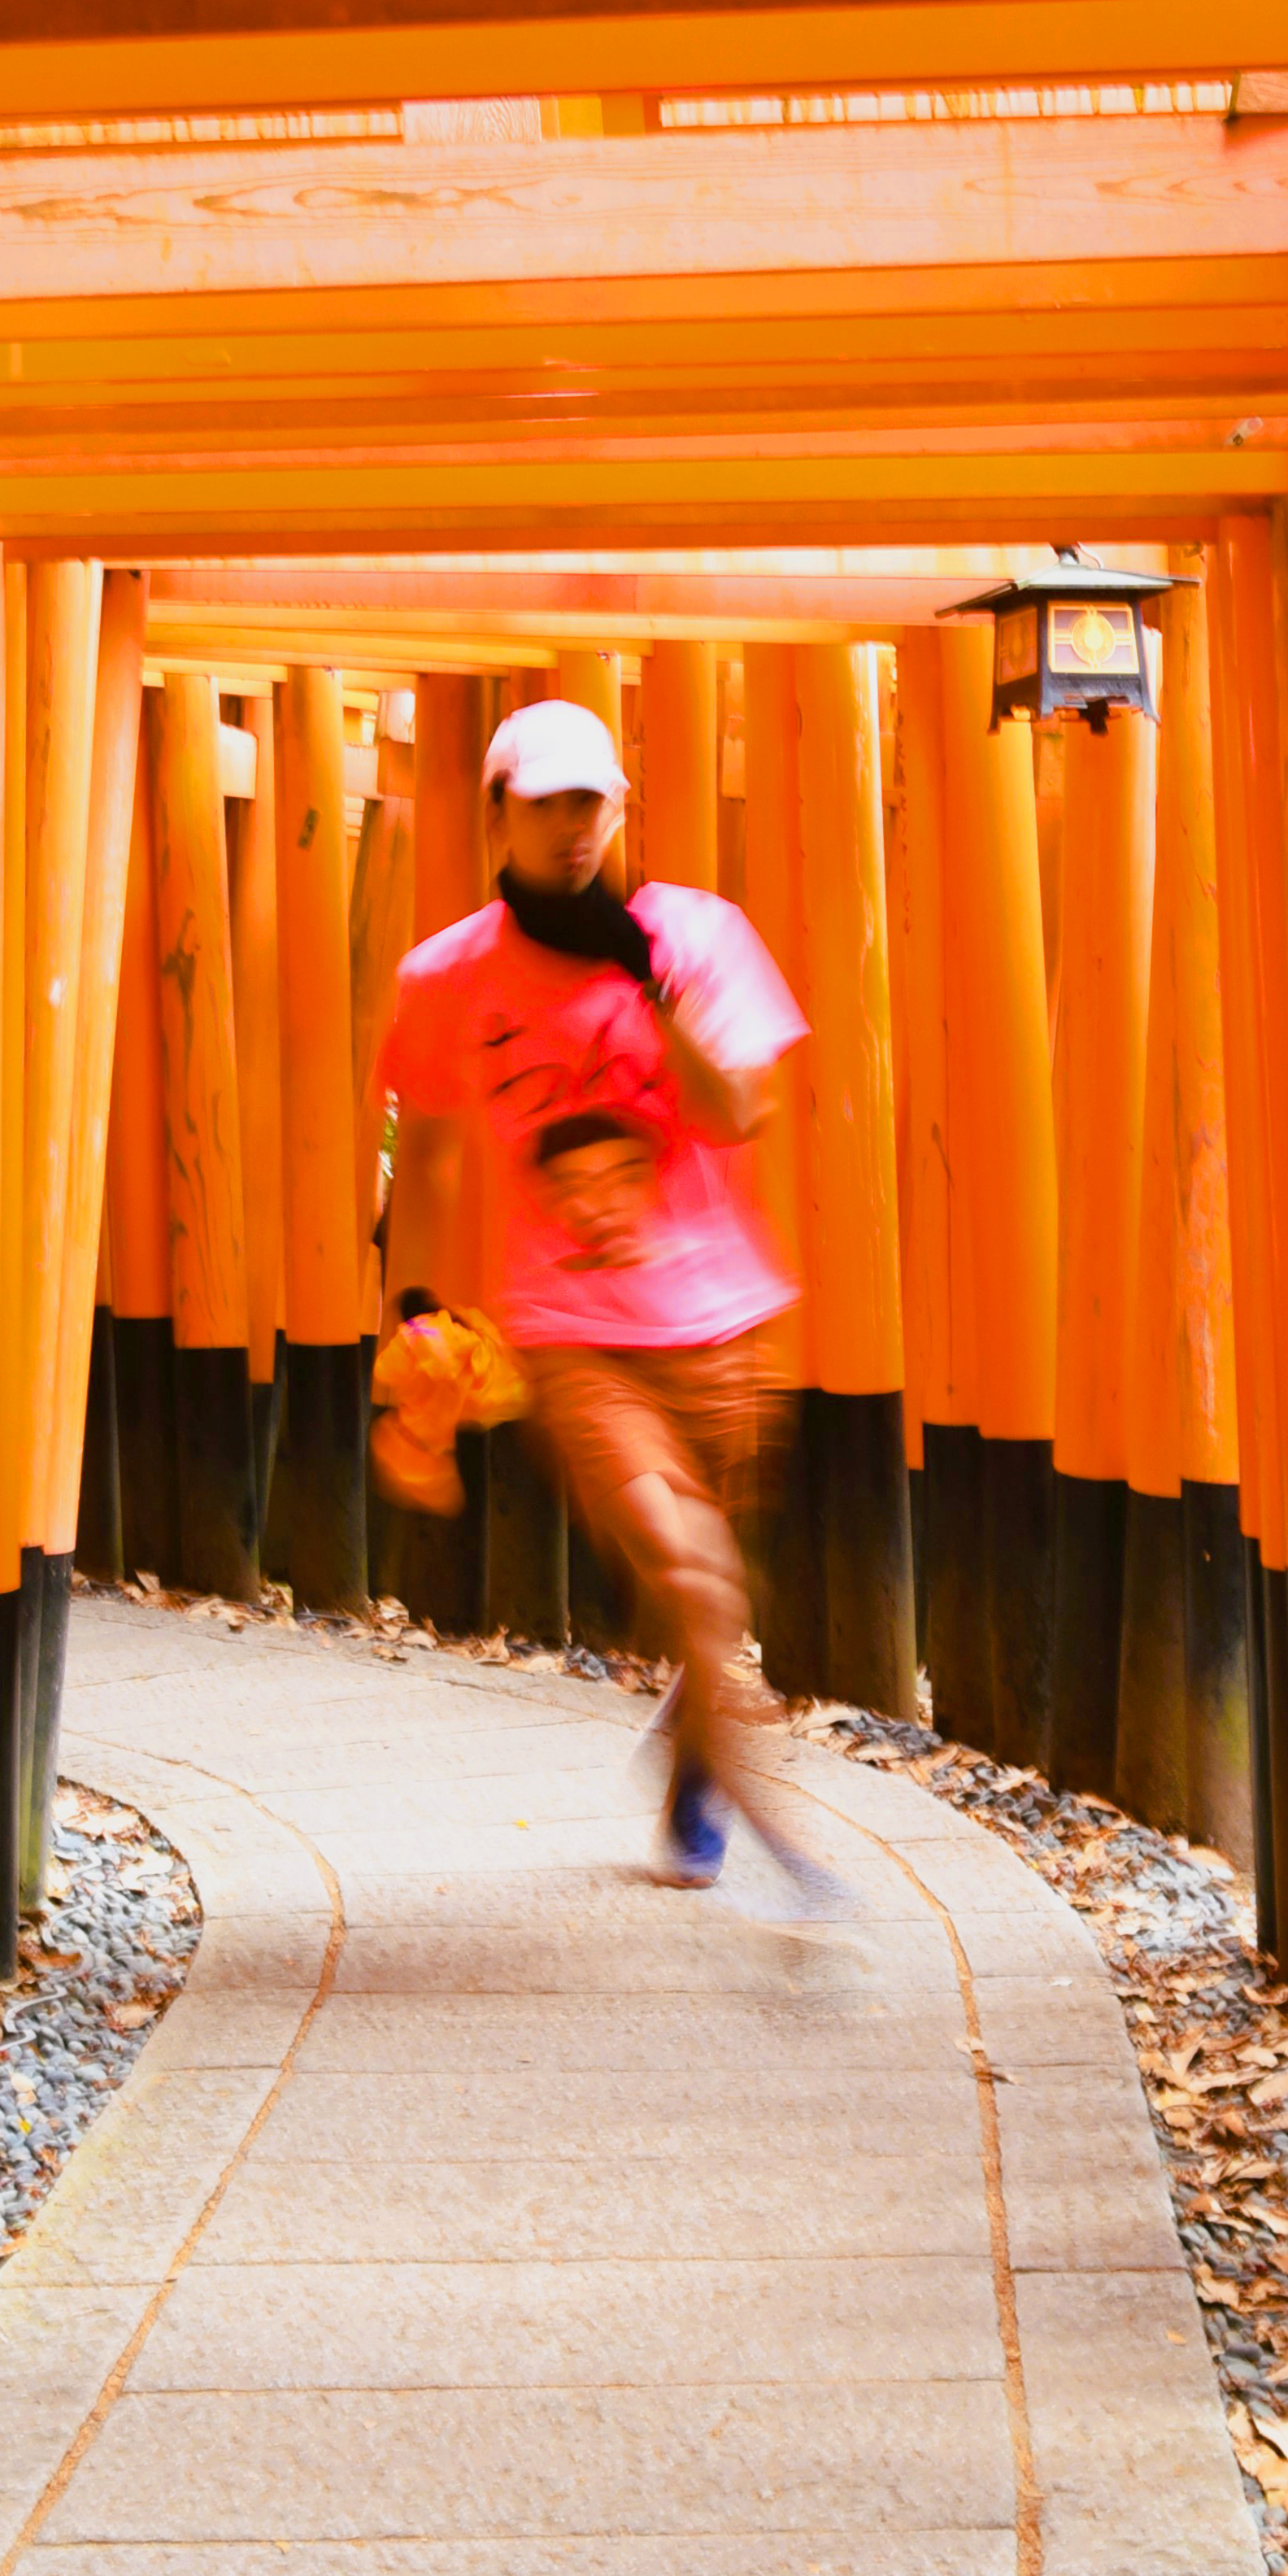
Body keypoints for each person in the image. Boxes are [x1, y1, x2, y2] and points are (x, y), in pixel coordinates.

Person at [378, 695, 828, 1890]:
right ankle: (781, 1838)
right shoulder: (448, 975)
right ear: (499, 813)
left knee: (709, 1593)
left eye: (591, 801)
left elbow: (735, 1116)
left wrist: (653, 988)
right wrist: (414, 1321)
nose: (573, 827)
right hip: (573, 1333)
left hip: (724, 1318)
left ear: (619, 807)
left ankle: (696, 1749)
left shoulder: (697, 935)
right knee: (691, 1571)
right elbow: (427, 1154)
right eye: (546, 805)